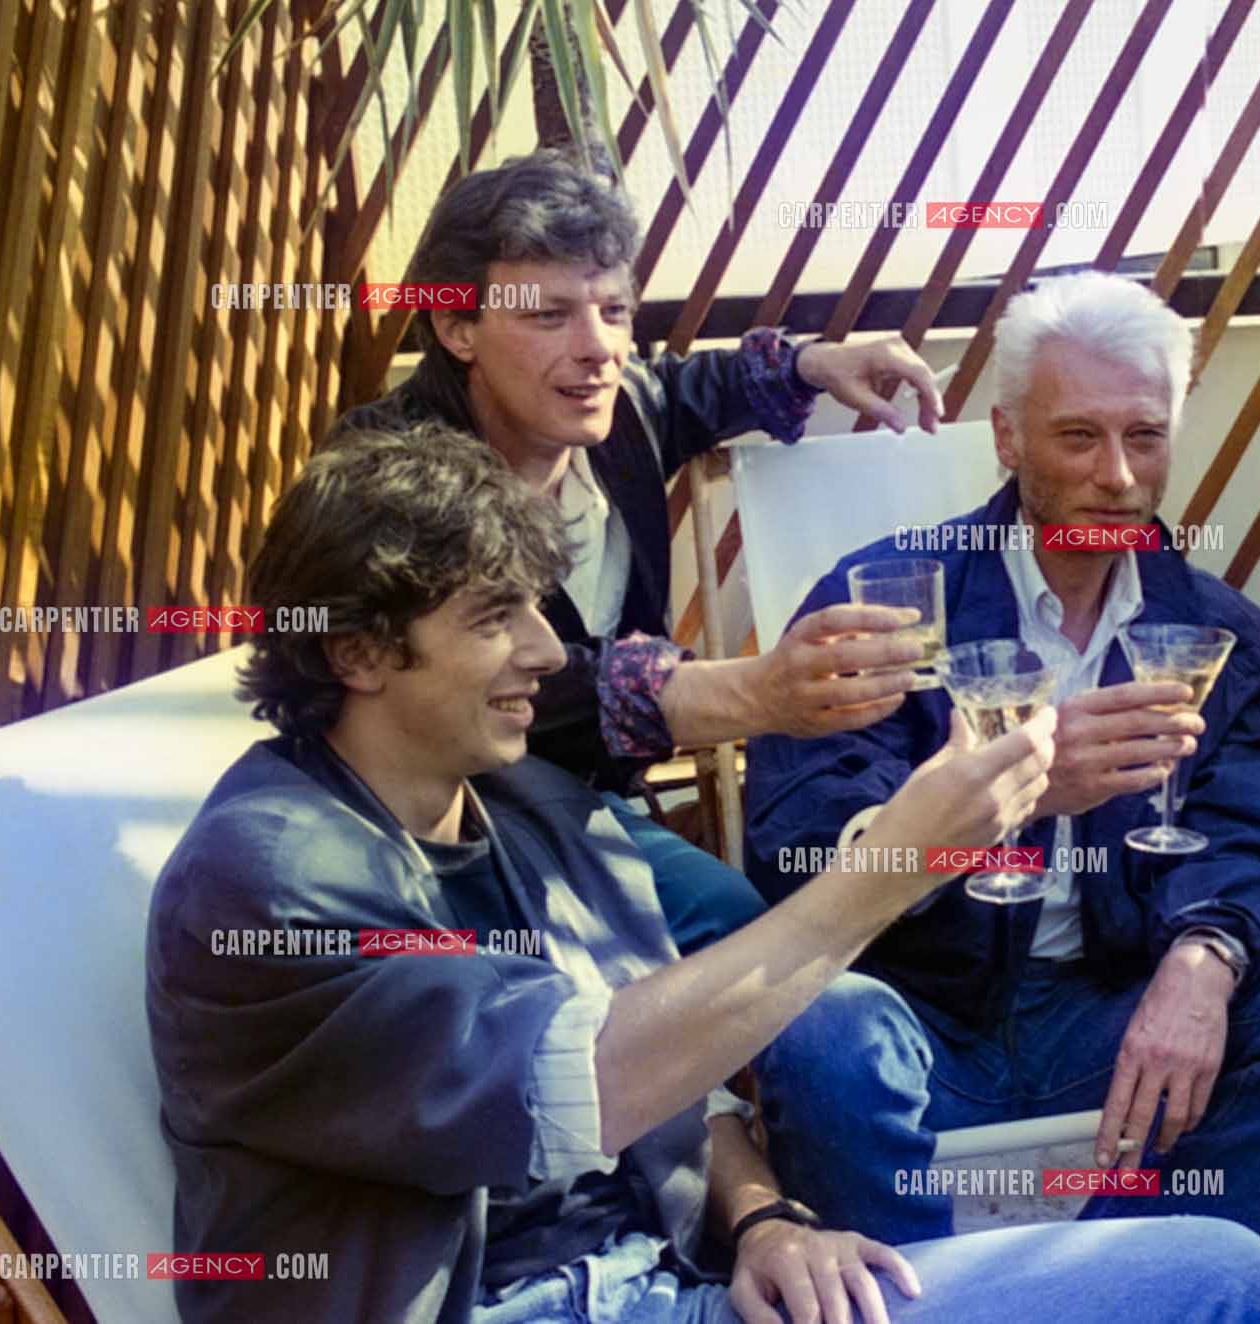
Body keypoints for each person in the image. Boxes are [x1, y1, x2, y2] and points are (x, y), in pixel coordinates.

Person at [145, 423, 1260, 1324]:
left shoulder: (533, 812)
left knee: (1219, 1266)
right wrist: (898, 866)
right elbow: (576, 1087)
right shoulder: (270, 881)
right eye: (498, 621)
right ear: (356, 649)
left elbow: (686, 1092)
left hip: (668, 1291)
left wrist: (765, 1223)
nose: (550, 658)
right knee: (1227, 1293)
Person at [743, 272, 1260, 1243]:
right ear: (1008, 437)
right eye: (1078, 436)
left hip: (1113, 1021)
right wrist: (999, 800)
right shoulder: (886, 601)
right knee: (819, 1028)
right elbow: (793, 846)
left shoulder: (1215, 632)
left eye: (1144, 437)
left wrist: (1205, 959)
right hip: (922, 1025)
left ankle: (1110, 1264)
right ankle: (932, 1302)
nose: (1116, 476)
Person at [336, 148, 945, 953]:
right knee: (740, 943)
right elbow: (520, 687)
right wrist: (758, 693)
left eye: (615, 311)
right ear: (457, 327)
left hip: (591, 815)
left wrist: (812, 363)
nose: (598, 350)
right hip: (439, 830)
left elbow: (696, 390)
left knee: (766, 940)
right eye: (550, 316)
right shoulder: (390, 477)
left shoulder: (618, 414)